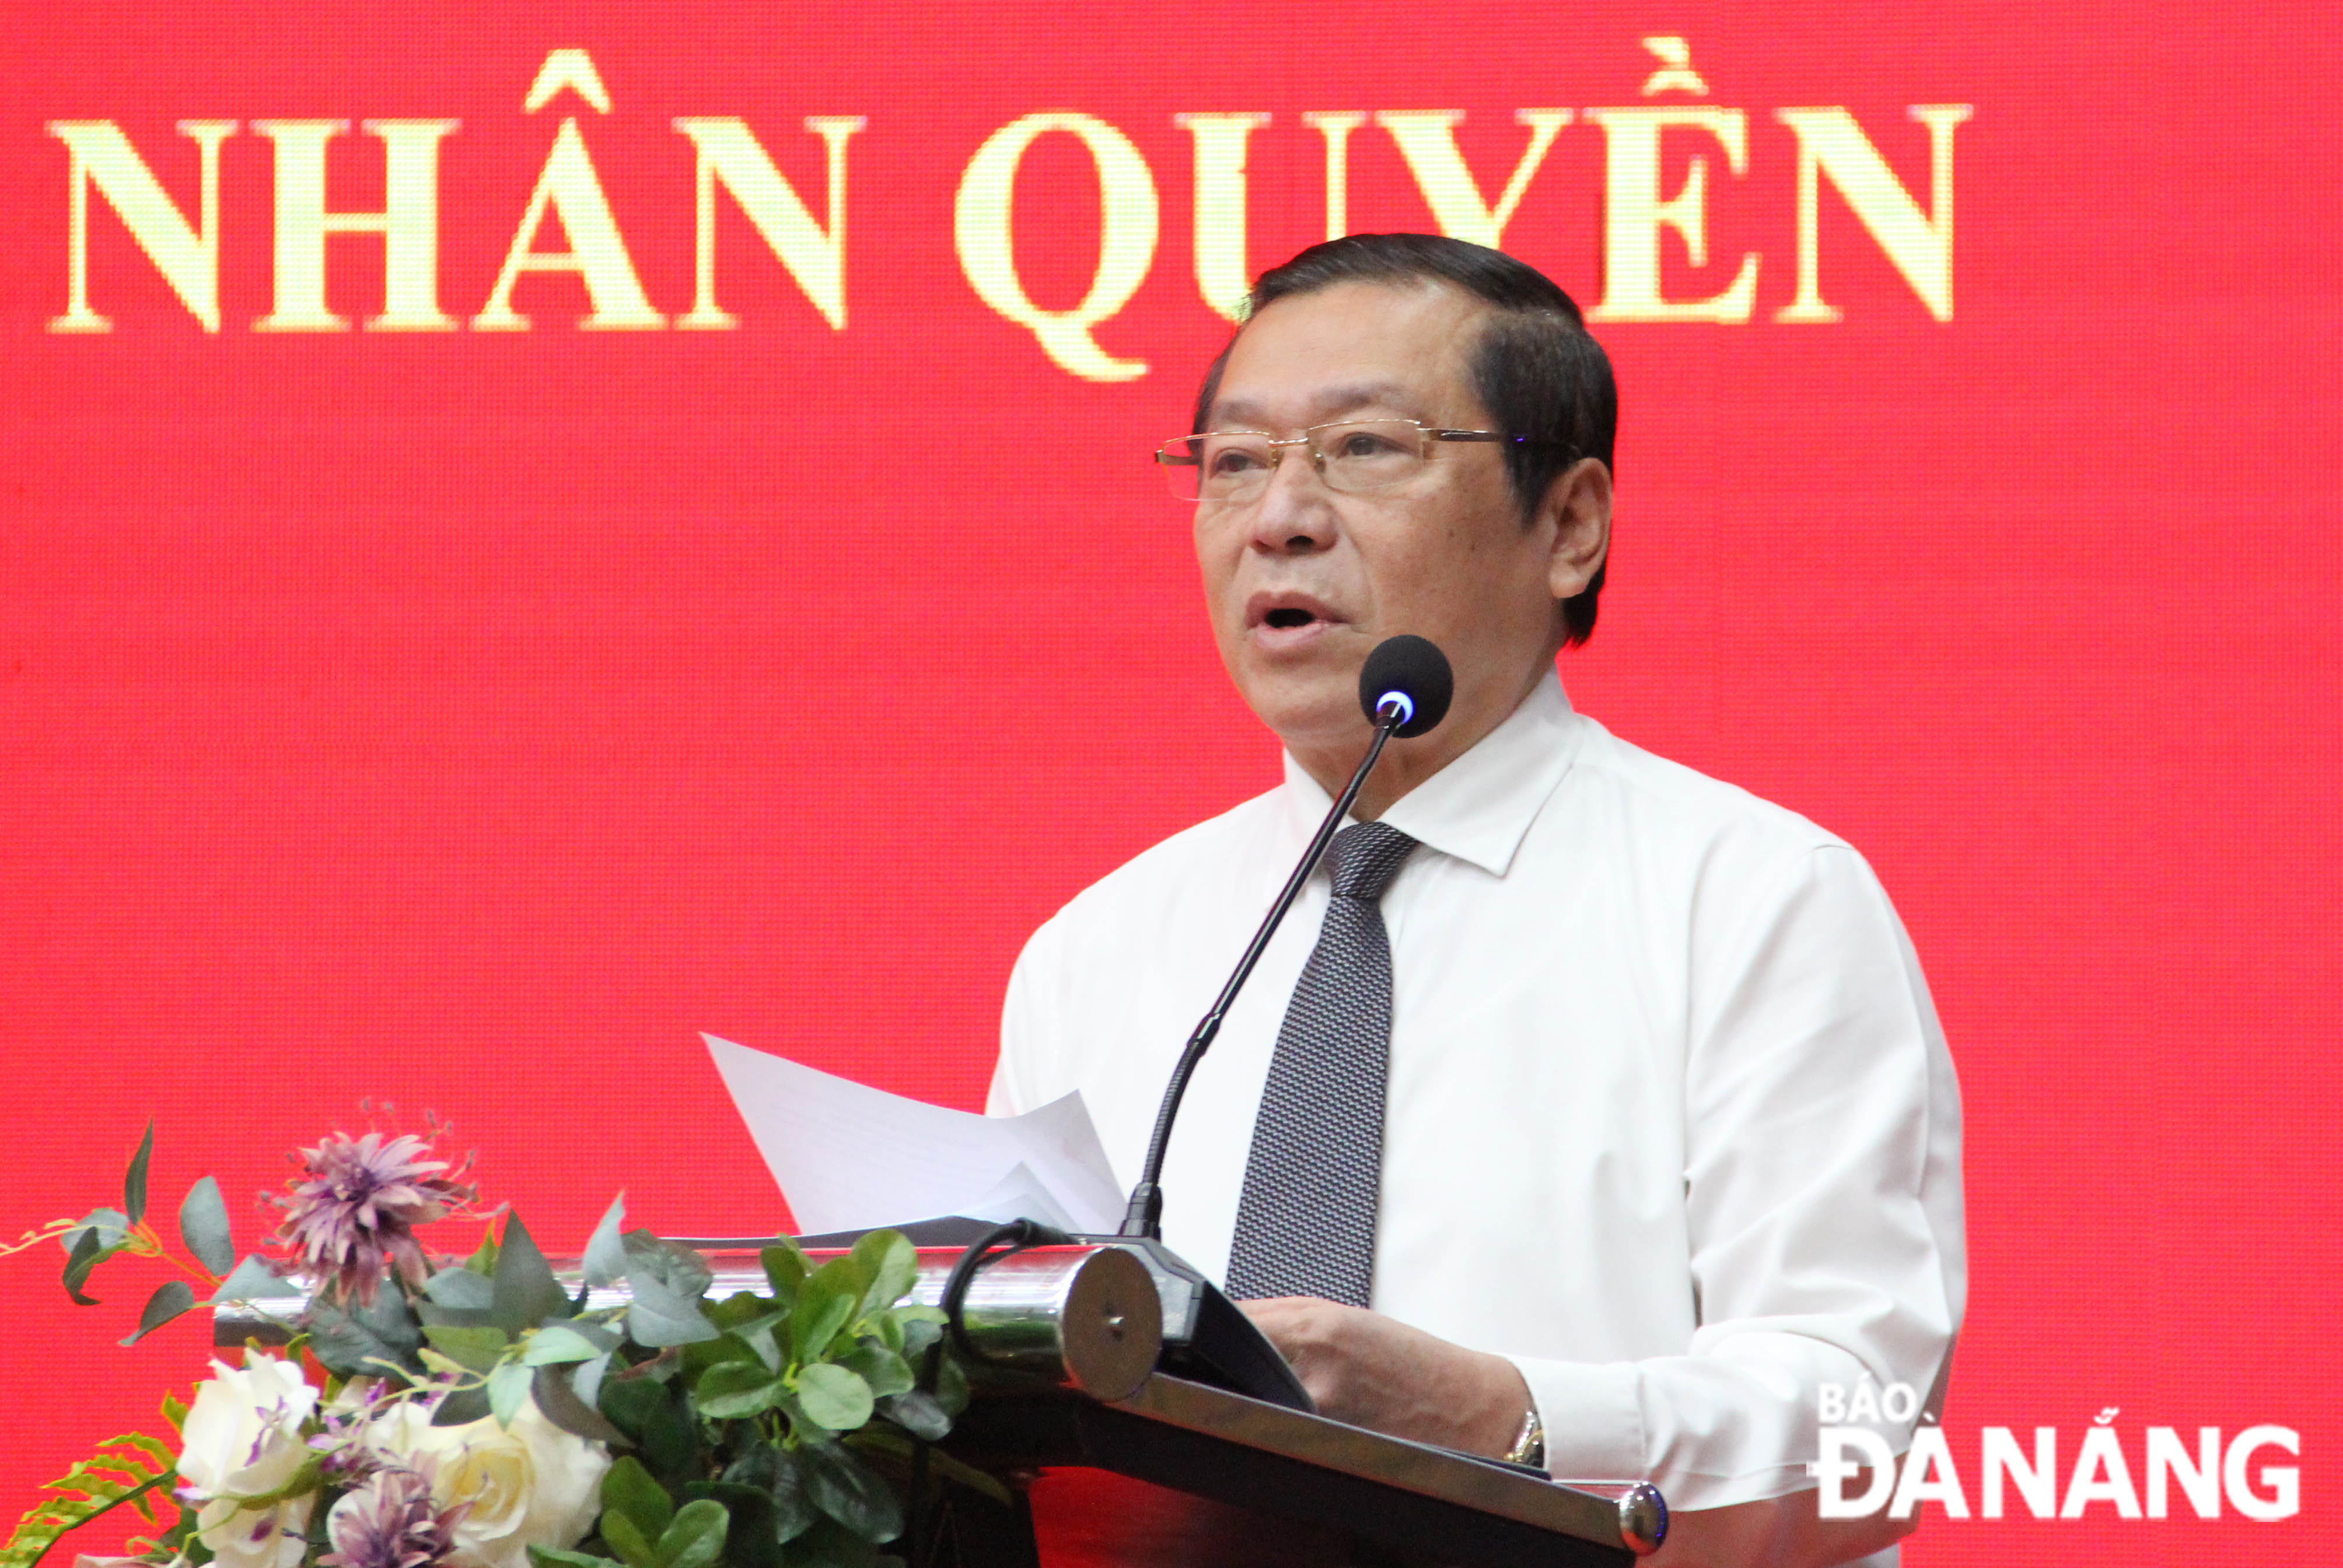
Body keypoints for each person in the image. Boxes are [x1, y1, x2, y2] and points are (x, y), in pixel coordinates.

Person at [988, 234, 1963, 1567]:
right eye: (1233, 460)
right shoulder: (1096, 954)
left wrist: (1505, 1416)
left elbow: (1866, 1441)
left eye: (1365, 449)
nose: (1280, 515)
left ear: (1569, 526)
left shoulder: (1752, 903)